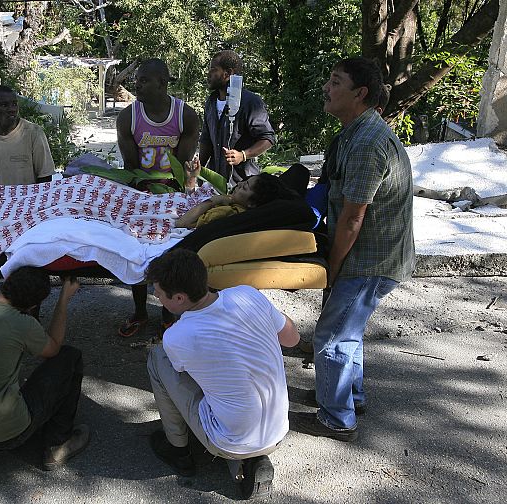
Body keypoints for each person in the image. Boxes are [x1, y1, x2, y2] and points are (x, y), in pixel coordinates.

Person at [290, 58, 415, 442]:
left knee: (332, 335)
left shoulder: (366, 143)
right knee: (348, 328)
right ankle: (349, 396)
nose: (327, 88)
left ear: (359, 93)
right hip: (374, 254)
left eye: (335, 81)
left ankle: (337, 418)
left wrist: (333, 265)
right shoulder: (353, 132)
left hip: (369, 259)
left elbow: (352, 219)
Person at [144, 249, 299, 499]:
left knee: (158, 358)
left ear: (180, 298)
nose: (156, 295)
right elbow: (292, 339)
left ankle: (179, 451)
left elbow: (185, 374)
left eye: (160, 293)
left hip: (228, 442)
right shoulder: (248, 294)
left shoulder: (178, 335)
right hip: (278, 431)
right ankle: (250, 459)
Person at [0, 268, 89, 484]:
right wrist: (64, 299)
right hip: (9, 429)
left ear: (7, 279)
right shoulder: (22, 324)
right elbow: (53, 349)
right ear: (32, 307)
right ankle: (58, 444)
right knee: (70, 357)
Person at [116, 58, 200, 337]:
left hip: (172, 193)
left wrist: (177, 191)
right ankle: (139, 311)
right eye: (137, 80)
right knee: (136, 253)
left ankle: (167, 312)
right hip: (141, 192)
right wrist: (144, 193)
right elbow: (131, 166)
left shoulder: (184, 116)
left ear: (162, 83)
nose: (136, 85)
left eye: (143, 80)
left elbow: (183, 164)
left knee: (171, 255)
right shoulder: (128, 117)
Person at [198, 50, 276, 187]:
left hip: (242, 184)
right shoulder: (210, 102)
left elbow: (268, 138)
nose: (208, 74)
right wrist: (198, 168)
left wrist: (243, 155)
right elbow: (206, 140)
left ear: (227, 74)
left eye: (213, 70)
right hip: (214, 184)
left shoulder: (250, 102)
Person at [0, 85, 56, 197]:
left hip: (30, 203)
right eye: (4, 105)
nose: (12, 109)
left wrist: (32, 203)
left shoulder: (34, 132)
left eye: (14, 104)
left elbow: (45, 176)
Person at [175, 172, 302, 229]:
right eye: (244, 182)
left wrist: (213, 201)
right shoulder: (231, 201)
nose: (239, 184)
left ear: (252, 203)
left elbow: (182, 223)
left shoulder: (227, 212)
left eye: (244, 187)